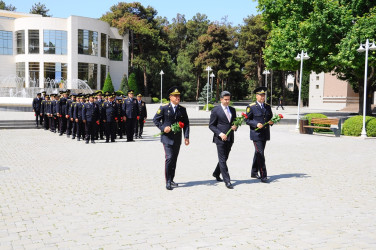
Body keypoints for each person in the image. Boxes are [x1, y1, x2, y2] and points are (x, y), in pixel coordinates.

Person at [153, 86, 190, 191]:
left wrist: (186, 137)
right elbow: (155, 119)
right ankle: (168, 181)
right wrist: (163, 128)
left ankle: (172, 179)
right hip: (167, 138)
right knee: (169, 158)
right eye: (175, 96)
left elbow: (186, 124)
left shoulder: (182, 109)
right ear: (170, 97)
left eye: (178, 96)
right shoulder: (164, 108)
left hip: (177, 138)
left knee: (174, 159)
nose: (178, 97)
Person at [209, 91, 237, 189]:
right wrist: (220, 134)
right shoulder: (215, 110)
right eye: (225, 99)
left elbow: (234, 122)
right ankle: (227, 180)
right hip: (220, 139)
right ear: (221, 99)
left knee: (224, 158)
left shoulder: (233, 110)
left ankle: (216, 173)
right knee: (222, 159)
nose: (227, 101)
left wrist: (235, 126)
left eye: (228, 99)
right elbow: (211, 125)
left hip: (230, 138)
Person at [245, 86, 273, 183]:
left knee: (258, 152)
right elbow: (247, 120)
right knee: (261, 154)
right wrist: (256, 124)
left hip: (265, 133)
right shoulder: (251, 107)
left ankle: (253, 172)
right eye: (260, 95)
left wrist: (271, 122)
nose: (262, 97)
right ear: (256, 96)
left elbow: (270, 118)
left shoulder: (267, 106)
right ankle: (263, 175)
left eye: (263, 95)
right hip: (256, 134)